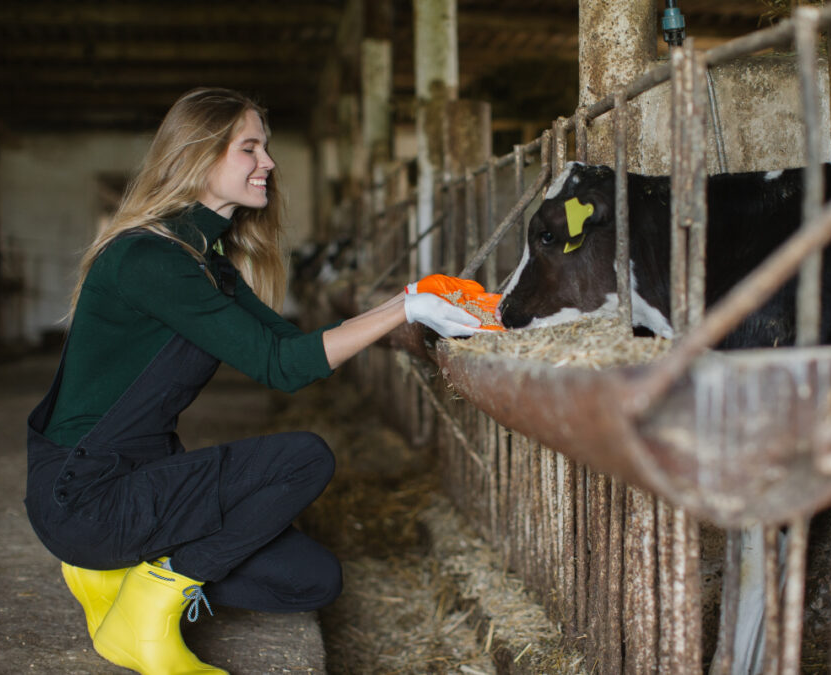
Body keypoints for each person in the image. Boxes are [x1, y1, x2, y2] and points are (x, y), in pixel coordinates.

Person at [24, 87, 487, 675]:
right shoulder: (149, 259)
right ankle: (143, 610)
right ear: (198, 156)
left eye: (264, 147)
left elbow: (290, 348)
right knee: (302, 458)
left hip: (141, 482)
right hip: (87, 495)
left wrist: (411, 299)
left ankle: (114, 573)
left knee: (311, 582)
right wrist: (405, 310)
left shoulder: (206, 263)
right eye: (250, 148)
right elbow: (283, 370)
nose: (268, 162)